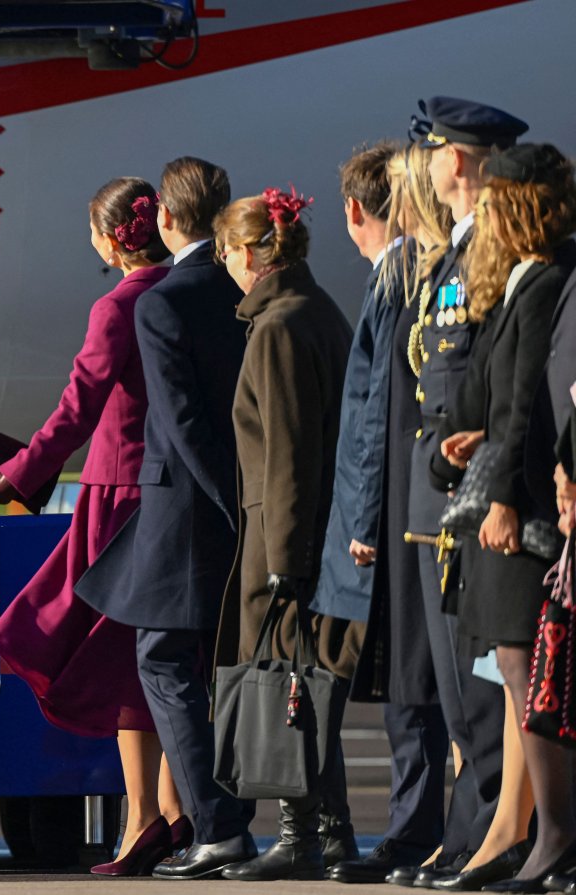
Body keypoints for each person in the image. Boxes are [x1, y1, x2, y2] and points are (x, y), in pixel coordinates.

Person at [0, 177, 186, 877]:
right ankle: (169, 806)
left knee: (113, 654)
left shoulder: (120, 304)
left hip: (118, 495)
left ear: (109, 239)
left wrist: (7, 476)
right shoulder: (192, 291)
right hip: (170, 495)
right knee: (161, 658)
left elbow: (77, 408)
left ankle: (143, 818)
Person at [75, 157, 258, 881]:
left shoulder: (158, 301)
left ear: (169, 221)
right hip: (229, 502)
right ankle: (201, 819)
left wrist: (221, 497)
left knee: (162, 659)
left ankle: (215, 827)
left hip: (182, 506)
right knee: (200, 665)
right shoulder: (233, 289)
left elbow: (179, 420)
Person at [387, 97, 529, 889]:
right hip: (437, 491)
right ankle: (469, 832)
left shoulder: (493, 255)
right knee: (452, 681)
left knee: (479, 680)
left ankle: (491, 834)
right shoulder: (453, 254)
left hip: (471, 492)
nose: (431, 160)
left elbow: (490, 384)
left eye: (437, 147)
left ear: (462, 159)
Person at [212, 186, 362, 882]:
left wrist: (284, 560)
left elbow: (290, 452)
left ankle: (302, 833)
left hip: (284, 535)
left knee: (289, 689)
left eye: (224, 252)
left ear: (250, 253)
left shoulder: (278, 327)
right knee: (309, 691)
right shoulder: (318, 310)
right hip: (308, 533)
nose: (225, 266)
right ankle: (330, 834)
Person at [437, 143, 576, 892]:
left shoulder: (547, 278)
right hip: (505, 489)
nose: (483, 215)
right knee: (515, 670)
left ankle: (553, 834)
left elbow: (532, 398)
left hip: (518, 511)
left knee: (530, 672)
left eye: (495, 203)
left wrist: (502, 497)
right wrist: (478, 440)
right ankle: (543, 837)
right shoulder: (522, 278)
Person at [323, 143, 452, 884]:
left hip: (400, 512)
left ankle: (413, 832)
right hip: (409, 505)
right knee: (420, 683)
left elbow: (376, 413)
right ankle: (424, 828)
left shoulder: (400, 277)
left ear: (355, 210)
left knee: (414, 683)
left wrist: (363, 520)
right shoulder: (412, 275)